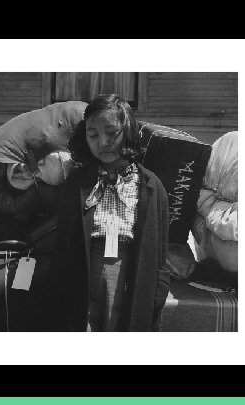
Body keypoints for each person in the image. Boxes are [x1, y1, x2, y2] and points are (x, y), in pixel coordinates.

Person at [41, 94, 171, 332]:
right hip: (83, 277)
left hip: (132, 277)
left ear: (128, 131)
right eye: (94, 135)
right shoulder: (77, 183)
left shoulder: (152, 187)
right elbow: (65, 242)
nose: (103, 142)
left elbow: (161, 250)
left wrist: (156, 293)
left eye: (112, 133)